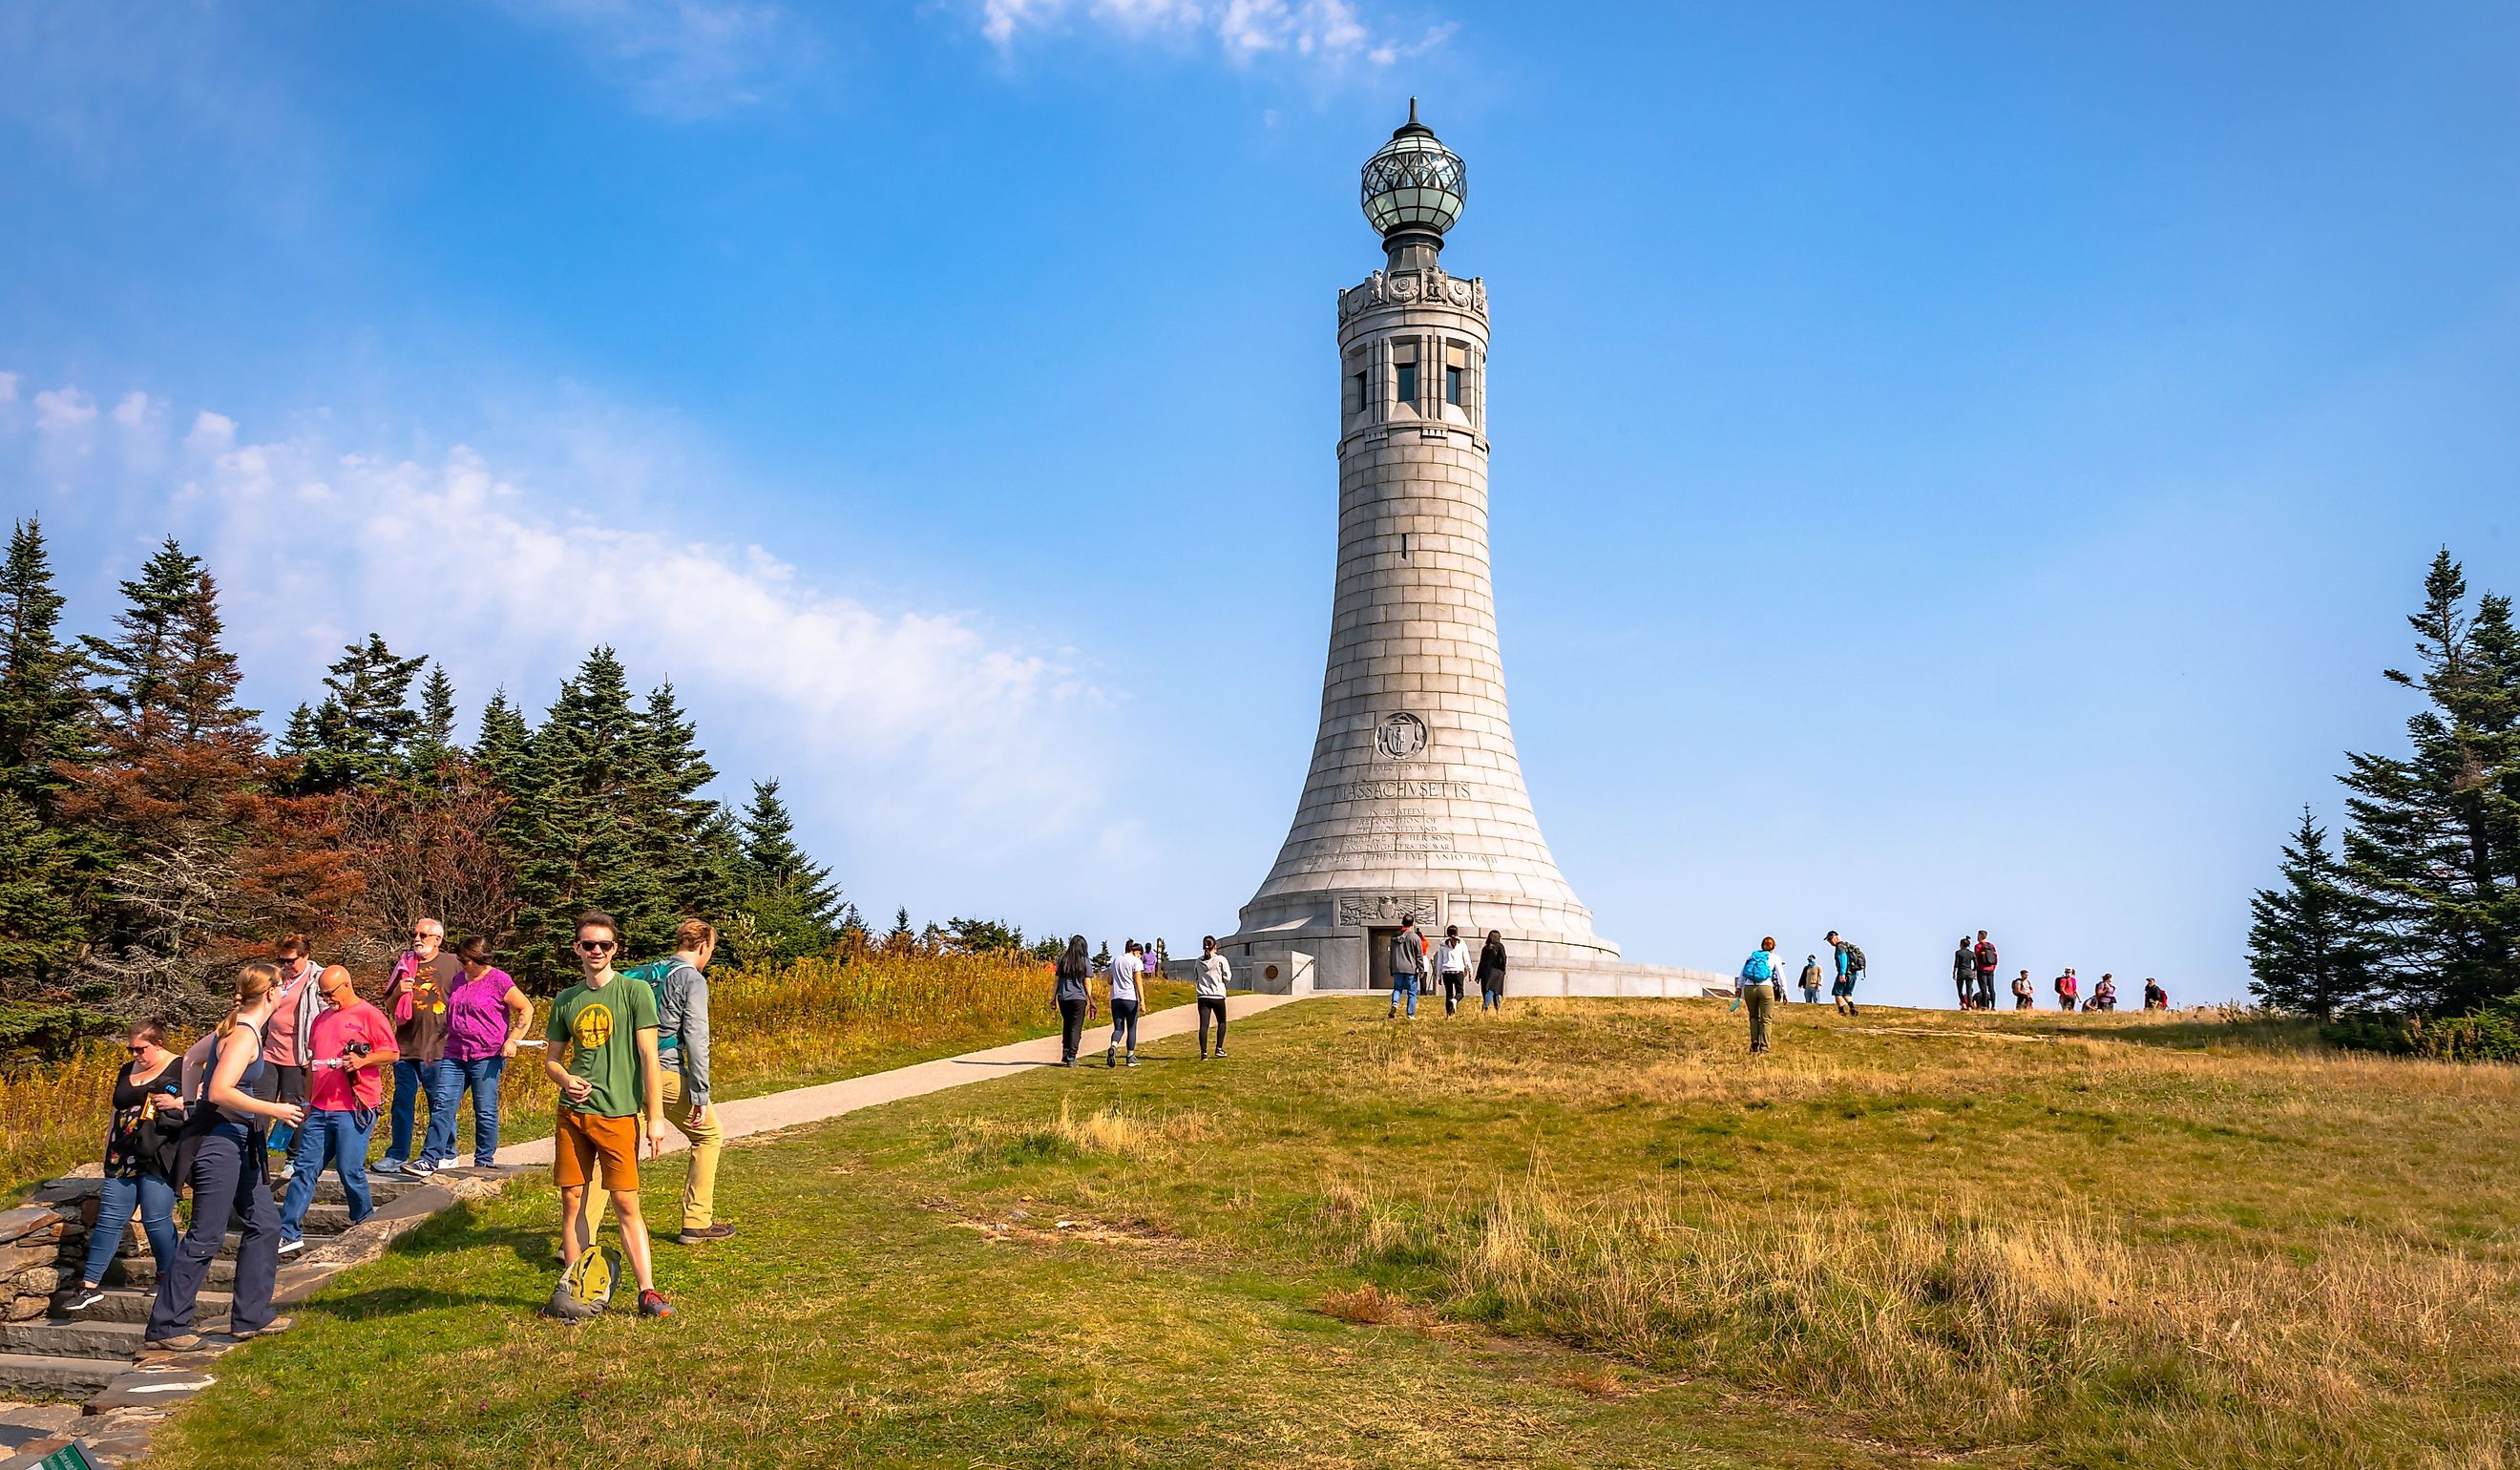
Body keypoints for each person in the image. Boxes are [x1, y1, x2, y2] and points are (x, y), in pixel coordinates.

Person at [145, 964, 304, 1352]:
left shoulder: (233, 1027)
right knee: (207, 1233)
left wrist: (186, 1104)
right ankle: (167, 1325)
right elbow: (218, 1090)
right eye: (282, 988)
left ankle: (251, 1316)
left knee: (265, 1223)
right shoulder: (244, 1035)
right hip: (218, 1141)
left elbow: (188, 1062)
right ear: (270, 994)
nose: (285, 993)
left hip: (239, 1138)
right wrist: (273, 1110)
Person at [545, 911, 671, 1319]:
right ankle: (575, 1290)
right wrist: (565, 1079)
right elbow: (552, 1061)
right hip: (573, 1114)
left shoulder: (635, 993)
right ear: (576, 949)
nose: (596, 951)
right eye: (588, 944)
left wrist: (655, 1117)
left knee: (625, 1203)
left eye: (604, 944)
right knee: (572, 1199)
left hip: (617, 1115)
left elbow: (650, 1057)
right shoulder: (565, 1000)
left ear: (616, 948)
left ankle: (647, 1291)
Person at [280, 964, 397, 1256]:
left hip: (354, 1106)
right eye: (321, 993)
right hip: (320, 1108)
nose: (325, 998)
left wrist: (361, 1062)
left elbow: (392, 1052)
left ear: (346, 985)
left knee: (349, 1168)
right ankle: (288, 1232)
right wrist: (307, 1104)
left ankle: (363, 1218)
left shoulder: (369, 1014)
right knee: (304, 1169)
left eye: (329, 993)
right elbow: (312, 1065)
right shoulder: (320, 1020)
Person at [66, 1022, 184, 1311]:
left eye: (140, 1049)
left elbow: (201, 1100)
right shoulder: (126, 1069)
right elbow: (116, 1109)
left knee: (155, 1218)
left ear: (158, 1043)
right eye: (130, 1049)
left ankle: (168, 1275)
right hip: (122, 1153)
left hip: (159, 1150)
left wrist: (177, 1102)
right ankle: (90, 1285)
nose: (135, 1054)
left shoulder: (182, 1066)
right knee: (109, 1217)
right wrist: (107, 1143)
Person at [656, 920, 732, 1245]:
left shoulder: (652, 972)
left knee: (616, 1150)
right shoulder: (692, 979)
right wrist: (700, 1092)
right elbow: (697, 1038)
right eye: (711, 950)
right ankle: (697, 1220)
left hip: (633, 1072)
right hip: (666, 1073)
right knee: (709, 1136)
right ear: (703, 946)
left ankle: (576, 1236)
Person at [379, 916, 464, 1176]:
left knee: (439, 1102)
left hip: (439, 1047)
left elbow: (466, 998)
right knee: (402, 1102)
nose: (417, 939)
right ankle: (397, 1155)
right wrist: (398, 992)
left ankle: (446, 1154)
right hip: (405, 1046)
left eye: (423, 935)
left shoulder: (453, 964)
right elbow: (390, 1008)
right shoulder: (405, 964)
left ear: (438, 939)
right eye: (415, 934)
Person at [446, 938, 531, 1168]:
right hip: (455, 1052)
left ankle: (484, 1160)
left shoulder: (499, 980)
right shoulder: (458, 980)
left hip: (487, 1054)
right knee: (443, 1104)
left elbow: (526, 1008)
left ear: (478, 960)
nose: (462, 964)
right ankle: (436, 1156)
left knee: (484, 1109)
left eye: (466, 961)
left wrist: (513, 1040)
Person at [261, 934, 324, 1176]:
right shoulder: (276, 978)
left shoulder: (317, 978)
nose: (286, 966)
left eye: (291, 961)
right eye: (282, 960)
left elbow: (324, 1014)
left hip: (298, 1055)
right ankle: (257, 1156)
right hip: (269, 1051)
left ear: (305, 956)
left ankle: (294, 1158)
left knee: (294, 1107)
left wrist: (315, 1051)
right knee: (262, 1106)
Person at [1054, 935, 1093, 1066]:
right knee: (1076, 1027)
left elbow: (1057, 980)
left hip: (1063, 997)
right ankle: (1072, 1055)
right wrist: (1091, 999)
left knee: (1067, 1024)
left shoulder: (1062, 959)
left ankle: (1065, 1051)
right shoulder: (1085, 961)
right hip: (1078, 998)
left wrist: (1053, 997)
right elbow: (1087, 982)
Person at [1736, 937, 1779, 1054]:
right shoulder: (1774, 958)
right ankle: (1764, 1048)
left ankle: (1754, 1042)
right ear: (1773, 947)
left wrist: (1739, 987)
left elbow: (1742, 973)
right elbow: (1781, 977)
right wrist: (1785, 993)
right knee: (1766, 1019)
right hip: (1765, 987)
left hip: (1749, 988)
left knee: (1753, 1016)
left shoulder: (1752, 956)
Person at [1105, 940, 1144, 1067]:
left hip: (1116, 998)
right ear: (1136, 951)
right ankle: (1130, 1056)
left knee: (1118, 1028)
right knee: (1131, 1027)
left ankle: (1113, 1046)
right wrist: (1142, 1001)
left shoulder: (1116, 960)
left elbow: (1109, 980)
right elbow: (1138, 982)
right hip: (1130, 998)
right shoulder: (1135, 961)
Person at [1194, 935, 1231, 1060]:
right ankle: (1219, 1048)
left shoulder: (1199, 961)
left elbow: (1196, 976)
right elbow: (1227, 977)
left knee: (1204, 1025)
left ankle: (1204, 1053)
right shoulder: (1221, 959)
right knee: (1221, 1022)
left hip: (1203, 995)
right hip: (1217, 994)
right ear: (1215, 946)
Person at [1386, 918, 1422, 1018]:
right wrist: (1421, 969)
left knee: (1397, 989)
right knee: (1412, 992)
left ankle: (1395, 1003)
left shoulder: (1394, 937)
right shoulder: (1415, 937)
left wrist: (1392, 968)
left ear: (1402, 923)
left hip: (1397, 967)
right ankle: (1410, 1014)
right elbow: (1419, 955)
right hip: (1411, 968)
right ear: (1413, 924)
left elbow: (1392, 954)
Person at [1824, 931, 1862, 1016]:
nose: (1830, 942)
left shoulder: (1840, 947)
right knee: (1847, 993)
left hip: (1845, 973)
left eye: (1830, 939)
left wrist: (1842, 973)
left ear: (1836, 937)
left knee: (1837, 993)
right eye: (1828, 940)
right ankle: (1852, 1008)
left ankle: (1841, 1012)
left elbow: (1843, 959)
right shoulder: (1846, 946)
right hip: (1853, 973)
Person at [1435, 925, 1470, 1016]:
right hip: (1458, 971)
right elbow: (1466, 958)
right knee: (1460, 992)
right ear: (1457, 933)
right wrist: (1470, 970)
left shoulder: (1442, 944)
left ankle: (1449, 1014)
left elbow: (1439, 961)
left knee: (1449, 993)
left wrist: (1438, 976)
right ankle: (1455, 1001)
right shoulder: (1461, 943)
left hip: (1446, 972)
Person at [1476, 931, 1507, 1010]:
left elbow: (1481, 962)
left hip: (1485, 972)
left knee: (1489, 990)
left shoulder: (1485, 948)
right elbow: (1504, 958)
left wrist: (1478, 975)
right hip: (1496, 971)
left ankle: (1496, 1008)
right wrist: (1503, 969)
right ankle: (1486, 1006)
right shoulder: (1500, 946)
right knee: (1492, 990)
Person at [1972, 931, 1999, 1011]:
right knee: (1991, 988)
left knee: (1983, 988)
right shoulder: (1991, 945)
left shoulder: (1978, 946)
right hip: (1991, 969)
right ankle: (1993, 1006)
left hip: (1981, 969)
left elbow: (1976, 958)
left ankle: (1985, 1006)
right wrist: (1993, 967)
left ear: (1980, 936)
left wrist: (1975, 970)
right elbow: (1996, 958)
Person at [1952, 936, 1977, 1010]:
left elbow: (1956, 963)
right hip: (1969, 972)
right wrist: (1973, 970)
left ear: (1961, 944)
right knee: (1969, 990)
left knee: (1959, 989)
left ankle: (1963, 1003)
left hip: (1961, 972)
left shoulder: (1958, 952)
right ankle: (1969, 1006)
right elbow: (1976, 964)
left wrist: (1954, 972)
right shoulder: (1972, 953)